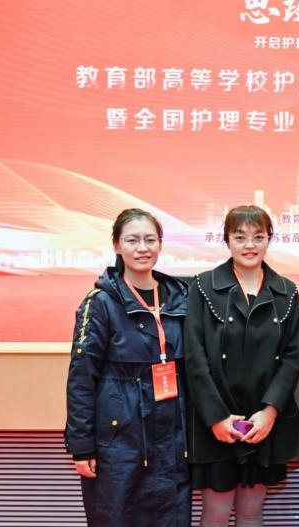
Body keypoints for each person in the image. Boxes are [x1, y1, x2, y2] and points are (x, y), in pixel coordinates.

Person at [65, 208, 191, 526]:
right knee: (117, 516)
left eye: (150, 240)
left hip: (172, 432)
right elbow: (81, 378)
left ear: (160, 244)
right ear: (117, 246)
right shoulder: (100, 302)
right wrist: (82, 446)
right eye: (132, 240)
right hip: (120, 435)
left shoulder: (181, 297)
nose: (142, 248)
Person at [184, 205, 299, 527]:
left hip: (262, 421)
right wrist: (216, 418)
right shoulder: (203, 286)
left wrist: (270, 412)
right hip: (216, 420)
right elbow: (195, 357)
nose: (249, 245)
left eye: (258, 237)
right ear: (226, 240)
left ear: (269, 239)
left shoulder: (287, 291)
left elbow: (292, 357)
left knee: (252, 512)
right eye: (240, 237)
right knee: (216, 512)